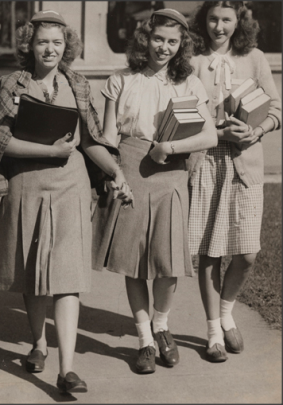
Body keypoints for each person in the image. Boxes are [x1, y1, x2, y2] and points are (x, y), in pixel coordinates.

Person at [0, 10, 131, 394]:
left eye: (57, 42)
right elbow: (0, 141)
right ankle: (37, 343)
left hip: (70, 186)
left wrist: (116, 173)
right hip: (26, 184)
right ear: (29, 45)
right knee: (33, 272)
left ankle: (67, 369)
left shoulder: (76, 83)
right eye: (43, 41)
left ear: (67, 47)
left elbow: (91, 139)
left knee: (66, 277)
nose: (50, 48)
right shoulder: (12, 83)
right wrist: (47, 150)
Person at [92, 9, 217, 374]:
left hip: (171, 171)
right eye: (158, 39)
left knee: (167, 260)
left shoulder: (189, 83)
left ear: (181, 46)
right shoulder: (122, 79)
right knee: (134, 261)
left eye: (172, 42)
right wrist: (114, 172)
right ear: (144, 39)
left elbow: (208, 135)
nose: (164, 47)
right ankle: (145, 339)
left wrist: (170, 149)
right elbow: (110, 134)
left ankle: (162, 326)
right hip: (130, 169)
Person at [188, 2, 281, 362]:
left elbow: (275, 108)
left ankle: (227, 312)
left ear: (238, 22)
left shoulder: (254, 58)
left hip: (245, 164)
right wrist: (212, 128)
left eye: (226, 19)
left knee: (247, 253)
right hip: (207, 163)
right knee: (210, 252)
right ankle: (213, 332)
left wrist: (254, 130)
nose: (218, 27)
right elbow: (181, 109)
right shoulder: (194, 60)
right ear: (204, 21)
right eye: (212, 19)